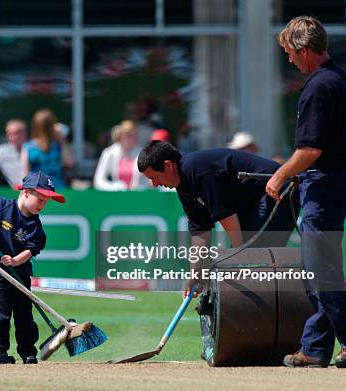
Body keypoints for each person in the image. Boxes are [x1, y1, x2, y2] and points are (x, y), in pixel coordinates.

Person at [267, 16, 346, 369]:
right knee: (319, 266)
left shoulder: (317, 87)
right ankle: (314, 348)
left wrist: (280, 175)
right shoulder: (340, 79)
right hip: (335, 182)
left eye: (288, 53)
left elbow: (310, 150)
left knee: (319, 267)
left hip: (323, 184)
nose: (289, 60)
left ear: (303, 51)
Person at [137, 141, 300, 297]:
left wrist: (238, 256)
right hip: (252, 204)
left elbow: (227, 217)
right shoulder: (183, 185)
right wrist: (195, 275)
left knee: (251, 261)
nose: (154, 184)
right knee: (243, 262)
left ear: (168, 165)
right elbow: (200, 232)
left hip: (277, 191)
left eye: (155, 177)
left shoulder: (199, 170)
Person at [0, 171, 65, 364]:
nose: (42, 205)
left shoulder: (35, 226)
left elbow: (31, 251)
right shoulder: (0, 205)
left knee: (24, 316)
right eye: (40, 199)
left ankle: (27, 351)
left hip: (20, 274)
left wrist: (14, 261)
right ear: (26, 192)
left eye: (46, 202)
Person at [21, 108, 74, 188]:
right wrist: (62, 140)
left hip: (37, 190)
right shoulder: (57, 145)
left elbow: (25, 174)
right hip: (56, 188)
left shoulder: (28, 147)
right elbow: (70, 163)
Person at [94, 120, 147, 191]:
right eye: (128, 135)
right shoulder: (109, 153)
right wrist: (115, 187)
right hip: (115, 197)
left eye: (134, 135)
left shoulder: (143, 153)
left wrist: (141, 188)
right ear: (121, 135)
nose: (132, 138)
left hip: (138, 197)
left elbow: (149, 180)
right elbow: (98, 181)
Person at [0, 118, 27, 187]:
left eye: (17, 133)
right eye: (9, 134)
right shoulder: (0, 151)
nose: (12, 137)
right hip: (16, 193)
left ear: (25, 133)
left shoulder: (34, 149)